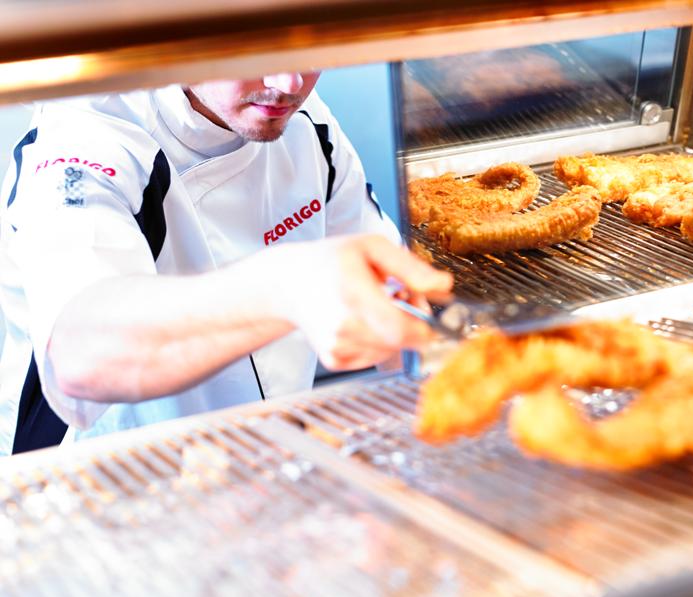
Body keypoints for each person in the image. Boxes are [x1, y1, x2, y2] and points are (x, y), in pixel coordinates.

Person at [0, 71, 452, 455]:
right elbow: (82, 355)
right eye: (258, 49)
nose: (289, 82)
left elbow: (391, 298)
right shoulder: (87, 140)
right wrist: (287, 287)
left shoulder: (305, 120)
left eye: (310, 46)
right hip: (104, 488)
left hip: (266, 465)